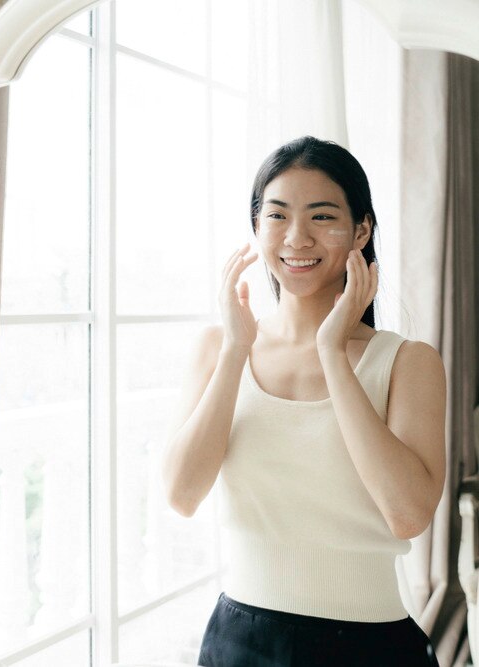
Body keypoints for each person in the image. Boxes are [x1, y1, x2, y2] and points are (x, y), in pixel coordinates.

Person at [161, 136, 446, 666]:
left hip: (371, 646)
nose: (297, 238)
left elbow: (408, 514)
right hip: (239, 641)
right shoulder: (219, 347)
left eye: (322, 216)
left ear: (362, 229)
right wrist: (234, 353)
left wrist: (333, 354)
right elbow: (181, 494)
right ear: (256, 227)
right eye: (277, 215)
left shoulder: (409, 362)